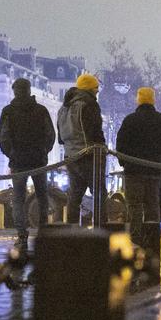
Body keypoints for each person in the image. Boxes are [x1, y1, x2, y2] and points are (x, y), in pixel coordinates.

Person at [0, 77, 56, 248]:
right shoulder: (41, 110)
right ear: (30, 91)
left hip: (18, 161)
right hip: (38, 160)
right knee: (42, 197)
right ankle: (43, 232)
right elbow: (50, 134)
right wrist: (44, 151)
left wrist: (11, 154)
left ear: (15, 91)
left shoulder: (8, 111)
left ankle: (22, 235)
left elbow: (2, 136)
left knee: (18, 199)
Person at [115, 87, 161, 241]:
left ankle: (135, 237)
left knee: (134, 206)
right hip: (154, 171)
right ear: (153, 100)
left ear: (139, 100)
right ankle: (152, 237)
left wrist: (124, 162)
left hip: (133, 171)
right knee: (152, 204)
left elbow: (120, 144)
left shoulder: (130, 120)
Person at [58, 73, 107, 226]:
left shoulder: (64, 107)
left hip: (71, 156)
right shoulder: (89, 104)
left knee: (74, 196)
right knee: (99, 194)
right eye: (96, 88)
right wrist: (102, 148)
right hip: (89, 155)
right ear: (89, 89)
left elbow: (60, 137)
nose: (97, 91)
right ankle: (101, 229)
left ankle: (72, 230)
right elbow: (95, 131)